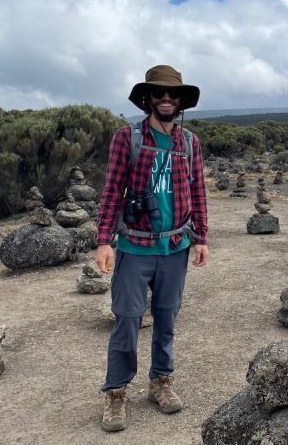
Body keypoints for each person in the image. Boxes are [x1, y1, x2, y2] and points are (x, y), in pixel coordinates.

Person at [95, 65, 208, 432]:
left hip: (175, 246)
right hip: (135, 246)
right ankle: (115, 392)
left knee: (167, 318)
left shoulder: (189, 143)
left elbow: (198, 193)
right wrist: (103, 240)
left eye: (172, 94)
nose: (165, 99)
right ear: (147, 98)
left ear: (180, 101)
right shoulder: (127, 138)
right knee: (127, 319)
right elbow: (112, 190)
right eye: (158, 93)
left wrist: (202, 237)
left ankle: (161, 381)